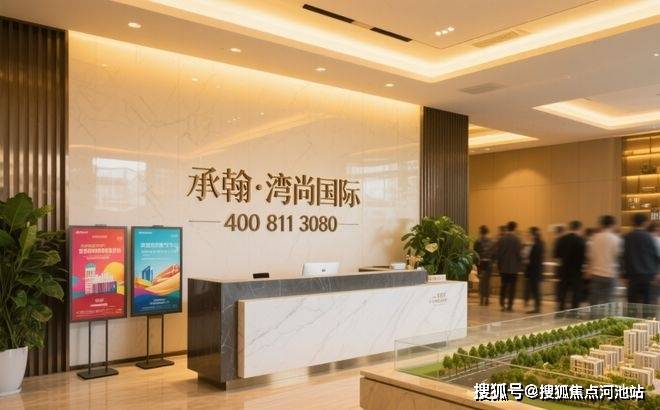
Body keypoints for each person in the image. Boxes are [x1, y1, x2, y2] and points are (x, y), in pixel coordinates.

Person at [623, 213, 660, 304]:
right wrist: (656, 272)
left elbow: (625, 256)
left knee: (632, 303)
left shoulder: (628, 237)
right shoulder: (648, 237)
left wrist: (624, 275)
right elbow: (655, 256)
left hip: (633, 274)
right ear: (644, 223)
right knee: (647, 303)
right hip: (647, 274)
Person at [587, 215, 622, 306]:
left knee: (594, 302)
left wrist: (589, 270)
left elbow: (591, 256)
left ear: (601, 224)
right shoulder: (616, 239)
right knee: (609, 302)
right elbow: (618, 256)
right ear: (612, 225)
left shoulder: (594, 238)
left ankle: (593, 315)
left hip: (596, 274)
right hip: (611, 274)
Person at [554, 220, 586, 311]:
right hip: (576, 271)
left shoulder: (561, 239)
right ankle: (574, 311)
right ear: (579, 228)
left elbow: (556, 257)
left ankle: (561, 310)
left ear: (570, 227)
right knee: (576, 293)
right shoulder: (581, 240)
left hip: (564, 270)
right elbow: (584, 258)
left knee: (563, 291)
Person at [496, 221, 522, 312]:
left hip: (504, 268)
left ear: (507, 228)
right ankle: (510, 305)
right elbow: (519, 255)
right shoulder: (517, 240)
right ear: (514, 228)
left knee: (503, 286)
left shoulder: (502, 239)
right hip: (514, 269)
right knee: (512, 288)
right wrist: (519, 266)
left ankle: (502, 304)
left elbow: (499, 254)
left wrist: (499, 266)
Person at [525, 226, 545, 314]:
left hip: (534, 271)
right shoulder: (539, 243)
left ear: (533, 234)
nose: (528, 235)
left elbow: (534, 260)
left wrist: (528, 262)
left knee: (535, 290)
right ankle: (537, 307)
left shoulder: (536, 245)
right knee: (535, 290)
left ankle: (537, 308)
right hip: (536, 270)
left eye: (530, 233)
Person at [474, 225, 494, 306]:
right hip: (489, 263)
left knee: (482, 281)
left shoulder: (478, 241)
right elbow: (494, 253)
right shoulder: (491, 241)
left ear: (480, 232)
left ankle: (481, 299)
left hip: (481, 263)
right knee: (488, 282)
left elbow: (475, 253)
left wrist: (476, 263)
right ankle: (487, 299)